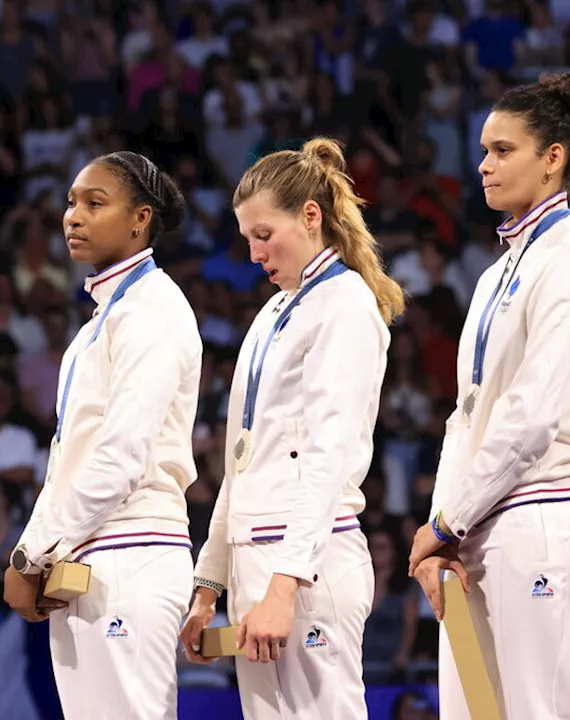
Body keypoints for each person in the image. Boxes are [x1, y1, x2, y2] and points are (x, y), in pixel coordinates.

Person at [406, 72, 570, 720]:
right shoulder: (499, 270)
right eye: (483, 149)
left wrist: (446, 522)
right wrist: (444, 528)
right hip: (480, 524)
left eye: (503, 150)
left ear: (553, 157)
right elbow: (466, 416)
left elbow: (530, 417)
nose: (483, 165)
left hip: (545, 512)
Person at [179, 138, 406, 719]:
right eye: (247, 239)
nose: (255, 254)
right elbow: (242, 459)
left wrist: (285, 587)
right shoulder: (274, 311)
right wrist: (210, 585)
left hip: (309, 562)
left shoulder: (347, 304)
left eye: (264, 235)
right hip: (257, 558)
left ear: (311, 217)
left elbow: (326, 453)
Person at [1, 151, 201, 719]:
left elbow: (119, 459)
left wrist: (28, 557)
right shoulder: (102, 318)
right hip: (83, 557)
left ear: (140, 218)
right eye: (70, 202)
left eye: (94, 203)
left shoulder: (154, 308)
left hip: (132, 550)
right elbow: (69, 462)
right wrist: (34, 554)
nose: (74, 216)